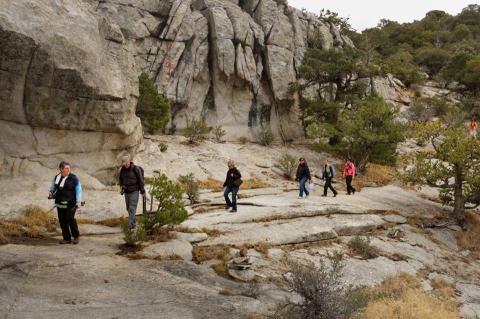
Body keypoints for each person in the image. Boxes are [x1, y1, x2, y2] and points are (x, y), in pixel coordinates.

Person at [48, 161, 82, 244]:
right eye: (67, 168)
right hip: (60, 202)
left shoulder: (74, 178)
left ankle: (76, 236)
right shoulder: (57, 177)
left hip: (71, 203)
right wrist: (51, 193)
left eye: (69, 168)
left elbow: (79, 190)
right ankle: (66, 238)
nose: (69, 170)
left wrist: (79, 202)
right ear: (61, 169)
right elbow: (53, 187)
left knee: (70, 219)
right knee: (62, 221)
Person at [119, 155, 145, 229]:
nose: (126, 164)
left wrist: (142, 191)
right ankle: (133, 224)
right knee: (128, 208)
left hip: (135, 191)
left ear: (129, 161)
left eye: (127, 162)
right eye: (124, 163)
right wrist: (121, 186)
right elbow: (120, 179)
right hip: (126, 191)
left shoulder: (136, 169)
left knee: (132, 208)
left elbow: (141, 180)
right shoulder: (122, 170)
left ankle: (129, 226)